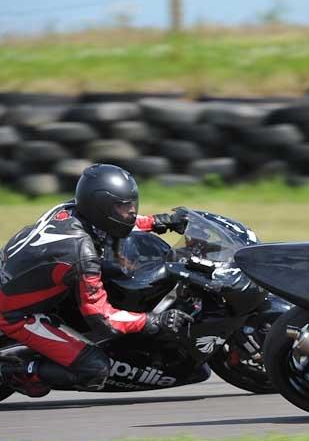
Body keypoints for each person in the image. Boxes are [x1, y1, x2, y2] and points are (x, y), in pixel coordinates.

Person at [0, 164, 192, 396]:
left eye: (132, 205)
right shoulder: (81, 255)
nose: (131, 212)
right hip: (15, 316)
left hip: (18, 278)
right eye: (124, 207)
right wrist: (153, 320)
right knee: (94, 368)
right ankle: (17, 371)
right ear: (101, 207)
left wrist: (160, 221)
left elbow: (121, 222)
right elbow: (103, 318)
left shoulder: (68, 209)